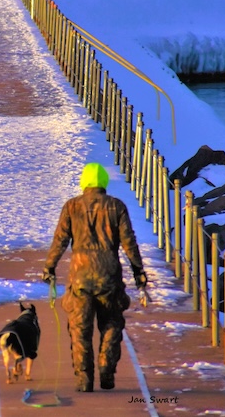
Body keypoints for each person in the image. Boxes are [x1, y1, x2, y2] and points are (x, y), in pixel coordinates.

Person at [42, 163, 148, 393]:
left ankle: (84, 379)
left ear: (84, 182)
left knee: (80, 329)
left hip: (80, 277)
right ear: (103, 182)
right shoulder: (116, 207)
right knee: (111, 323)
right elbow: (129, 243)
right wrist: (139, 271)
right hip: (109, 275)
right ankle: (106, 369)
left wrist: (49, 267)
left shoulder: (71, 207)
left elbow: (60, 240)